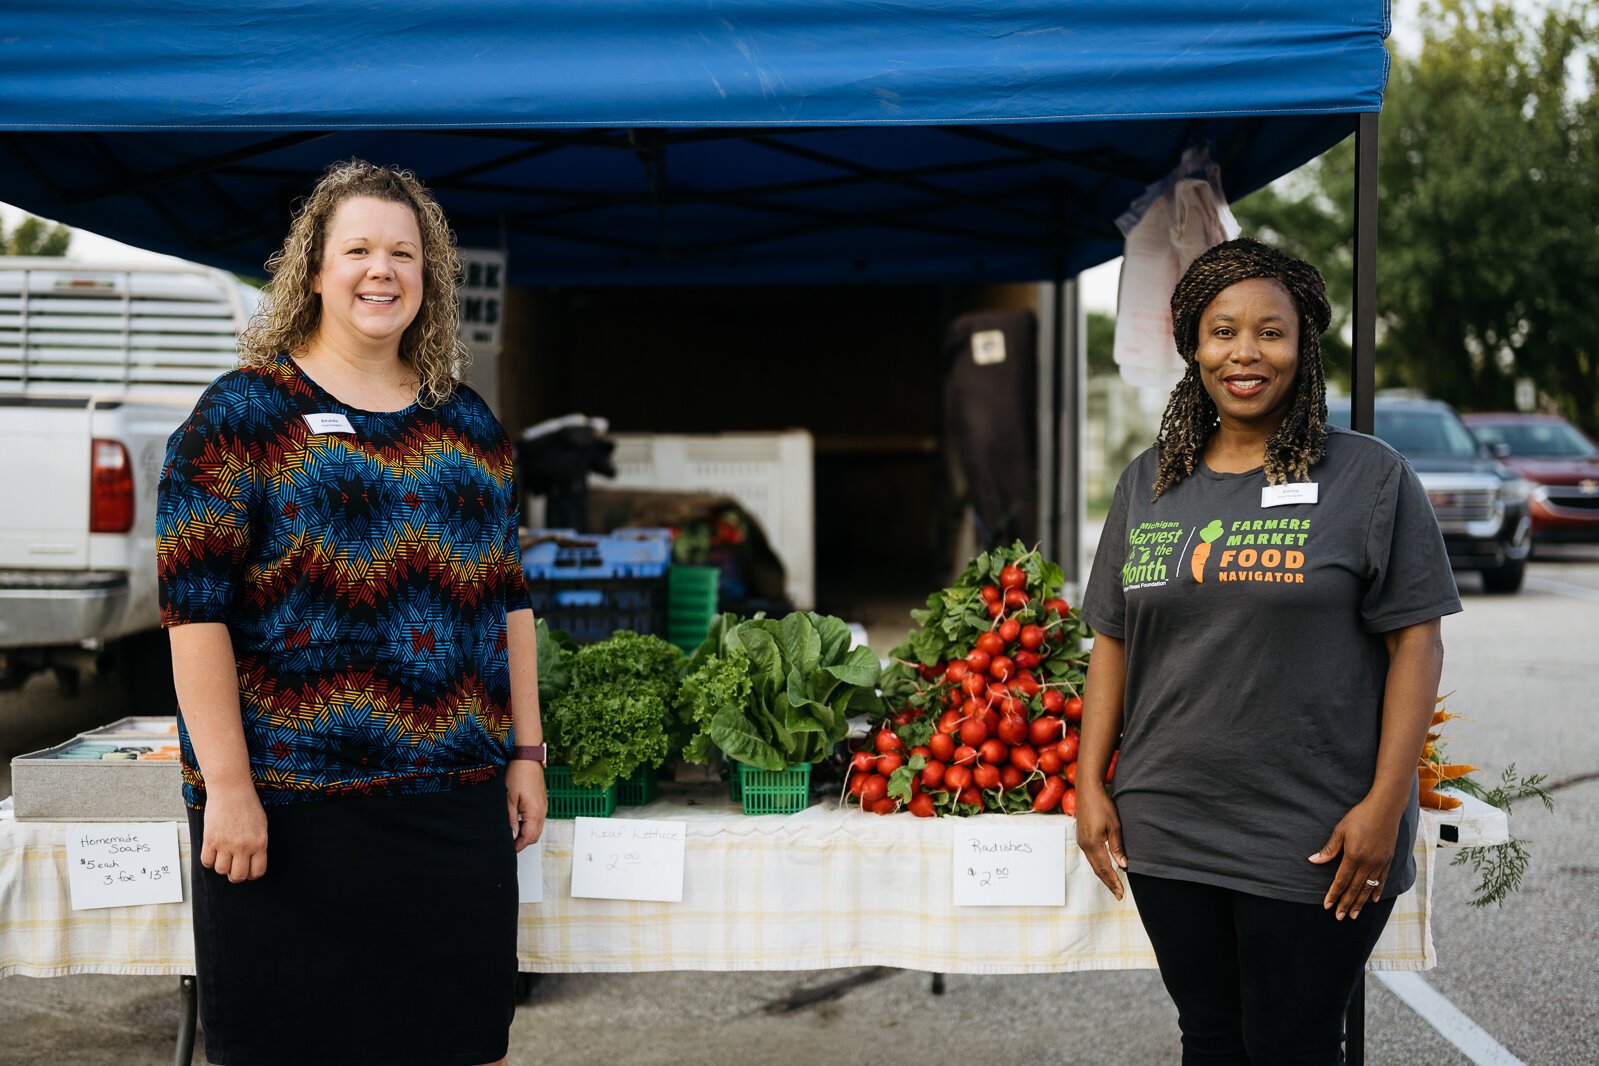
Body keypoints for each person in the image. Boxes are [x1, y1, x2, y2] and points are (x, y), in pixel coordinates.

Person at [157, 159, 546, 1066]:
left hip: (450, 804)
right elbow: (195, 613)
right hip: (290, 813)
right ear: (314, 270)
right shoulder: (242, 416)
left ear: (429, 276)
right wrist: (229, 790)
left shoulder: (469, 424)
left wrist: (526, 752)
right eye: (359, 249)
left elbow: (509, 600)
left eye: (404, 253)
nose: (383, 270)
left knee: (458, 1044)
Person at [1075, 237, 1461, 1065]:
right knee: (1209, 1039)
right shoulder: (1147, 483)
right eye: (1221, 332)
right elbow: (1110, 638)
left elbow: (1416, 645)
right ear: (1191, 346)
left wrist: (1385, 805)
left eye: (1269, 332)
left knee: (1292, 1044)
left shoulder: (1368, 476)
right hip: (1169, 822)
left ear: (1304, 345)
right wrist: (1088, 783)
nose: (1243, 353)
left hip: (1314, 829)